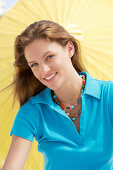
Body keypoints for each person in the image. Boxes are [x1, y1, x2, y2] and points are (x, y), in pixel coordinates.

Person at [2, 20, 113, 170]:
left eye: (49, 57)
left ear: (69, 49)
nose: (44, 71)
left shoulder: (108, 95)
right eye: (34, 64)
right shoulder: (32, 111)